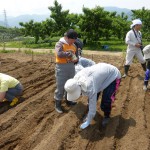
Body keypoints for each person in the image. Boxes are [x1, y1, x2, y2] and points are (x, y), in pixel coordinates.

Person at [64, 63, 121, 129]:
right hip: (100, 75)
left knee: (106, 100)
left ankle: (107, 115)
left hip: (113, 76)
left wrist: (88, 121)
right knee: (93, 96)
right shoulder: (75, 80)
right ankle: (90, 114)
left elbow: (92, 108)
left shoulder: (90, 87)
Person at [54, 29, 78, 113]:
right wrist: (69, 53)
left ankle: (68, 100)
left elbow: (77, 56)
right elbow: (59, 54)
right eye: (72, 40)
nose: (73, 42)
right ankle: (58, 104)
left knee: (70, 85)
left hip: (71, 67)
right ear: (67, 38)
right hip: (61, 67)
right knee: (60, 86)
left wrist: (76, 60)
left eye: (74, 40)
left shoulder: (74, 46)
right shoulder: (59, 44)